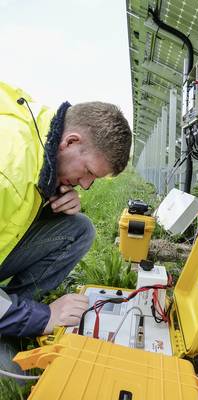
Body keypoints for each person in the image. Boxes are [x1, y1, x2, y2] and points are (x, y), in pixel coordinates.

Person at [0, 81, 132, 373]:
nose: (85, 185)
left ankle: (13, 314)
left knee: (78, 228)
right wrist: (44, 318)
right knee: (16, 377)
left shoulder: (40, 139)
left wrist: (50, 201)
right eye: (87, 172)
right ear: (70, 141)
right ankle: (18, 317)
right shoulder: (7, 172)